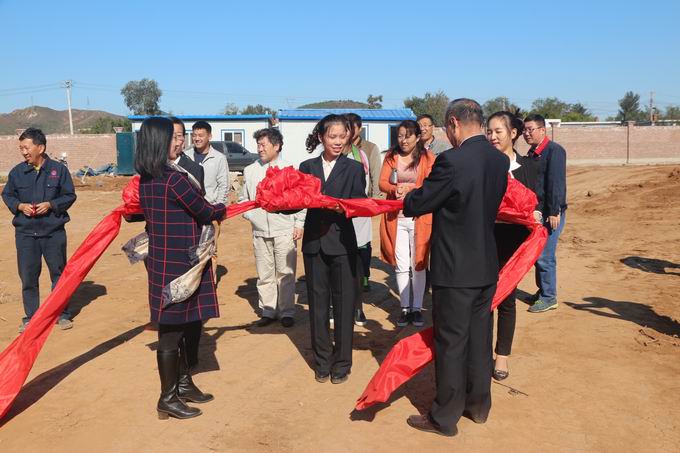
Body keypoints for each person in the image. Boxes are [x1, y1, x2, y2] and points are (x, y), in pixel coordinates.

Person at [403, 99, 509, 437]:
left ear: (453, 123)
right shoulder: (498, 159)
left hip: (455, 267)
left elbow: (422, 202)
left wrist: (408, 195)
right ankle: (478, 406)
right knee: (479, 340)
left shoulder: (452, 160)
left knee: (451, 343)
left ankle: (444, 417)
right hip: (486, 265)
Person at [135, 117, 227, 420]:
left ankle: (184, 384)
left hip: (166, 261)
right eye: (173, 138)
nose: (179, 142)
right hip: (180, 265)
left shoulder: (147, 179)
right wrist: (224, 209)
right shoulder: (173, 179)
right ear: (158, 142)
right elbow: (204, 210)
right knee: (171, 332)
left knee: (185, 324)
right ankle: (167, 398)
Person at [299, 114, 366, 385]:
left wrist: (343, 207)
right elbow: (298, 200)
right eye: (332, 136)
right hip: (314, 244)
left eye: (342, 136)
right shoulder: (307, 166)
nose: (338, 141)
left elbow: (360, 203)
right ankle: (322, 361)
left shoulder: (354, 168)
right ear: (321, 137)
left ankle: (342, 362)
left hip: (342, 244)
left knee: (344, 304)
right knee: (317, 306)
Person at [2, 128, 76, 333]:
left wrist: (51, 204)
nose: (23, 152)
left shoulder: (58, 170)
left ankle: (62, 314)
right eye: (21, 148)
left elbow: (69, 195)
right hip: (26, 234)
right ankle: (31, 317)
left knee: (58, 274)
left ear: (40, 147)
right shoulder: (17, 172)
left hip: (53, 233)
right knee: (28, 276)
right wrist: (19, 206)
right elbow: (7, 195)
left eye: (26, 147)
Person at [486, 111, 540, 381]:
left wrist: (536, 214)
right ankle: (482, 353)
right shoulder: (484, 165)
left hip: (513, 241)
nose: (493, 137)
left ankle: (502, 356)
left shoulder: (526, 168)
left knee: (506, 298)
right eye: (489, 132)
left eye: (498, 131)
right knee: (485, 298)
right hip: (485, 238)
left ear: (513, 133)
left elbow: (536, 201)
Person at [240, 128, 305, 328]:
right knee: (265, 273)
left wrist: (299, 223)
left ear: (276, 146)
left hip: (284, 229)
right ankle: (268, 310)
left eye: (263, 145)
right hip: (260, 232)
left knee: (285, 273)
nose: (259, 149)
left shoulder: (289, 169)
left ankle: (286, 311)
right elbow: (243, 200)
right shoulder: (250, 170)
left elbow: (301, 200)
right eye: (258, 145)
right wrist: (252, 216)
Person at [379, 120, 435, 327]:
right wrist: (394, 189)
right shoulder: (391, 156)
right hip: (397, 218)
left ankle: (417, 308)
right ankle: (405, 308)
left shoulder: (428, 158)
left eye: (408, 136)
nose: (403, 140)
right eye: (400, 136)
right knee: (401, 265)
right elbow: (382, 182)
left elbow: (431, 184)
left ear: (418, 137)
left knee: (419, 264)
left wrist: (410, 189)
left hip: (420, 218)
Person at [523, 114, 567, 313]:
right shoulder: (532, 153)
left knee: (545, 256)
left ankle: (549, 297)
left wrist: (554, 211)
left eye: (530, 129)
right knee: (537, 254)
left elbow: (556, 183)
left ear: (543, 130)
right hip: (538, 213)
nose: (526, 133)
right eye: (524, 130)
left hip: (551, 213)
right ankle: (543, 291)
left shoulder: (554, 151)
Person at [185, 121, 230, 279]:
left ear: (209, 136)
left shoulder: (219, 158)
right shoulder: (185, 156)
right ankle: (191, 282)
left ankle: (210, 282)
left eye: (200, 135)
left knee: (211, 250)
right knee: (190, 248)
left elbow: (224, 186)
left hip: (210, 212)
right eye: (194, 135)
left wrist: (218, 210)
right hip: (189, 212)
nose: (196, 138)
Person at [344, 113, 373, 324]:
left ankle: (357, 307)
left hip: (357, 216)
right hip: (334, 218)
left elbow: (366, 185)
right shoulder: (324, 156)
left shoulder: (360, 155)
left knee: (356, 264)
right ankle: (335, 306)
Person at [170, 117, 204, 193]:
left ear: (183, 139)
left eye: (178, 135)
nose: (174, 141)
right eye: (170, 135)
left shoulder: (195, 169)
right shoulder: (153, 167)